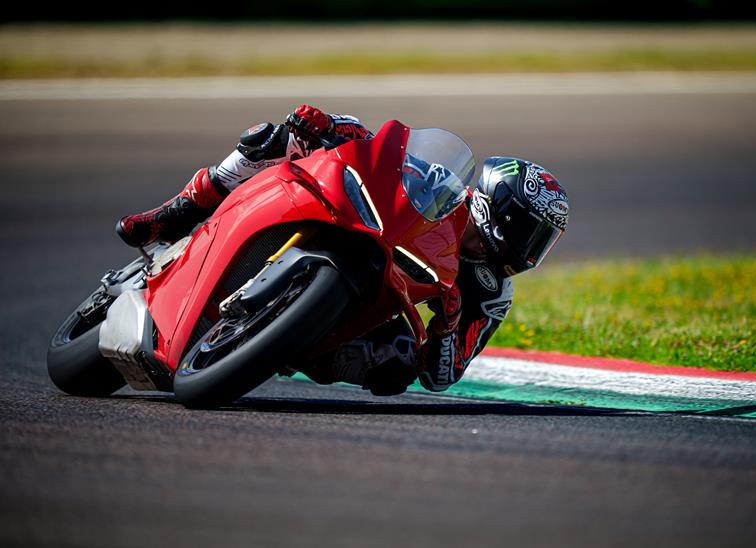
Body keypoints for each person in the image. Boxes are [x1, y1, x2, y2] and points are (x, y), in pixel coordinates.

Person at [116, 105, 570, 396]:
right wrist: (333, 127)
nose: (531, 252)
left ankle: (283, 339)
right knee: (270, 140)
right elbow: (380, 151)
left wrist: (448, 324)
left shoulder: (493, 293)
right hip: (360, 225)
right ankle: (173, 213)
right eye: (531, 234)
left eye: (542, 243)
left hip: (364, 315)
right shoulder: (441, 184)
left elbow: (442, 377)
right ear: (502, 207)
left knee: (398, 361)